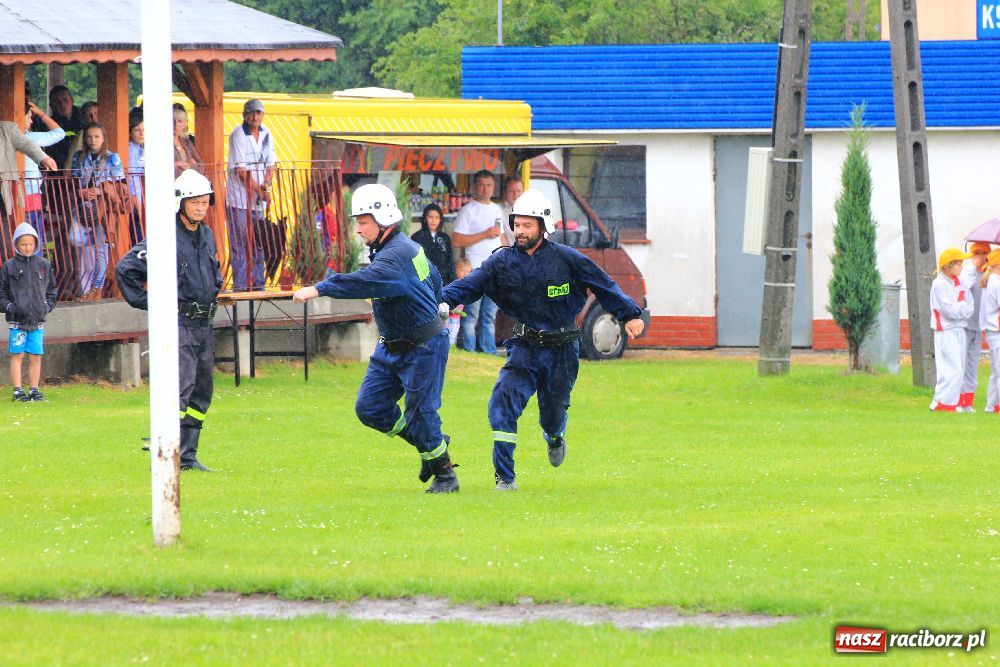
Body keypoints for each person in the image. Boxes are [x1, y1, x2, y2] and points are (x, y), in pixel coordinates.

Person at [442, 189, 645, 490]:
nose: (520, 232)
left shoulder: (569, 259)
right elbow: (470, 285)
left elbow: (604, 285)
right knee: (501, 405)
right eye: (517, 225)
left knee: (552, 414)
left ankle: (555, 435)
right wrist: (439, 302)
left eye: (527, 226)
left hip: (562, 350)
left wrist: (630, 314)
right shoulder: (501, 262)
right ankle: (505, 479)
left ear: (543, 226)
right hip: (525, 347)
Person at [292, 183, 458, 494]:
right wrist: (438, 301)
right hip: (393, 346)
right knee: (370, 408)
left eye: (362, 222)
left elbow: (364, 282)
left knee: (420, 412)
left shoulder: (396, 256)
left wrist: (320, 288)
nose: (357, 230)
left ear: (383, 220)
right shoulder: (402, 248)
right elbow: (433, 277)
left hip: (424, 347)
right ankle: (428, 442)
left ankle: (446, 475)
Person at [116, 170, 223, 471]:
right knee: (179, 389)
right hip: (180, 326)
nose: (201, 208)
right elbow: (126, 270)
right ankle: (166, 452)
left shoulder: (207, 235)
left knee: (202, 393)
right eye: (195, 203)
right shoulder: (165, 236)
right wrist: (157, 305)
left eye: (204, 202)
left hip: (205, 325)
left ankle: (188, 457)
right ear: (180, 203)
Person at [1, 223, 58, 402]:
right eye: (24, 244)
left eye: (31, 244)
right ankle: (18, 391)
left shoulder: (44, 265)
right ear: (16, 245)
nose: (28, 247)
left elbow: (52, 290)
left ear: (36, 244)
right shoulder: (8, 266)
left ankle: (34, 390)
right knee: (17, 355)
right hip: (17, 321)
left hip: (37, 321)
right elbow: (1, 292)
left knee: (35, 355)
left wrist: (47, 307)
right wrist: (10, 307)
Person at [451, 169, 504, 354]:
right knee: (472, 315)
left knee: (490, 315)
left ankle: (489, 352)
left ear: (493, 187)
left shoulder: (497, 209)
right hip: (474, 270)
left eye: (489, 185)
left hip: (495, 270)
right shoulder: (468, 210)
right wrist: (484, 234)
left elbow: (502, 238)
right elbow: (457, 240)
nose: (486, 188)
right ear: (475, 186)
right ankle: (469, 352)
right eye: (482, 184)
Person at [70, 122, 124, 301]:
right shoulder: (79, 157)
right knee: (75, 238)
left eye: (97, 136)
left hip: (103, 210)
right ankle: (89, 288)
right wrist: (81, 191)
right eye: (89, 136)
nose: (93, 140)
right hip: (84, 207)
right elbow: (73, 182)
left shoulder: (112, 158)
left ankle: (96, 289)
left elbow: (120, 185)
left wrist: (101, 190)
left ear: (103, 139)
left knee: (101, 253)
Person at [226, 98, 276, 291]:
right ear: (245, 115)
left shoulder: (267, 133)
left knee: (258, 244)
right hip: (239, 200)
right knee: (240, 244)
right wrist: (260, 190)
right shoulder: (238, 134)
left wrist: (266, 186)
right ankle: (240, 287)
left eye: (259, 113)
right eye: (252, 113)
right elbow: (240, 170)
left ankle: (257, 285)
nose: (256, 116)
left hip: (257, 202)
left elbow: (271, 164)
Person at [929, 247, 975, 412]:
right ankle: (942, 402)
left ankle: (952, 402)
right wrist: (962, 309)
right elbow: (948, 310)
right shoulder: (939, 284)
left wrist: (961, 309)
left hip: (959, 329)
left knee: (959, 367)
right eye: (958, 264)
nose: (962, 267)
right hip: (946, 331)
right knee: (950, 366)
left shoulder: (960, 282)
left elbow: (970, 306)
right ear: (948, 266)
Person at [21, 101, 65, 255]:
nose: (31, 121)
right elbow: (59, 133)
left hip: (18, 196)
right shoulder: (32, 138)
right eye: (29, 117)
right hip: (30, 195)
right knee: (33, 237)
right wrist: (41, 114)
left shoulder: (29, 136)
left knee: (19, 239)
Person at [957, 242, 990, 412]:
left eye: (987, 254)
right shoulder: (966, 271)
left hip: (978, 327)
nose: (985, 258)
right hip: (964, 325)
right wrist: (972, 268)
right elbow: (962, 288)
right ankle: (957, 401)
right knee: (960, 364)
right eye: (983, 254)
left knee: (972, 365)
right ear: (976, 254)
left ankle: (967, 402)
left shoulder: (987, 275)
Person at [38, 85, 82, 169]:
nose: (62, 104)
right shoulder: (47, 126)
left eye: (65, 100)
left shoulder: (83, 121)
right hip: (56, 169)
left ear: (72, 100)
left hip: (80, 169)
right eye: (57, 102)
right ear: (51, 105)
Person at [410, 203, 455, 284]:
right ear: (425, 218)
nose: (434, 221)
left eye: (437, 217)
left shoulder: (445, 238)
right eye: (431, 217)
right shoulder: (416, 238)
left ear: (440, 219)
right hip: (424, 283)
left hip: (443, 283)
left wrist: (452, 283)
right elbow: (413, 265)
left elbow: (450, 263)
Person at [979, 249, 1000, 413]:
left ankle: (991, 405)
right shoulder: (997, 283)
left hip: (993, 332)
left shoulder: (990, 280)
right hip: (997, 331)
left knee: (995, 372)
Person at [62, 101, 99, 170]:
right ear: (83, 118)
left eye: (96, 113)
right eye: (88, 115)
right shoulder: (81, 135)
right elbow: (69, 163)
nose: (93, 117)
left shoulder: (109, 132)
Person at [127, 110, 145, 245]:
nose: (142, 133)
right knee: (137, 233)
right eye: (137, 130)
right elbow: (132, 176)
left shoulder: (140, 148)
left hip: (139, 196)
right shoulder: (131, 149)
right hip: (134, 197)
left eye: (144, 130)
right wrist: (135, 198)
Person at [172, 104, 204, 177]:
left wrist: (191, 166)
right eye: (172, 120)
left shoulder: (187, 142)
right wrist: (174, 165)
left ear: (185, 124)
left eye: (179, 121)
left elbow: (201, 166)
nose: (175, 124)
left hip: (187, 185)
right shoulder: (161, 142)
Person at [498, 176, 524, 247]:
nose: (515, 195)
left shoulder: (530, 211)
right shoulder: (497, 210)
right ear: (505, 192)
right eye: (511, 191)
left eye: (518, 191)